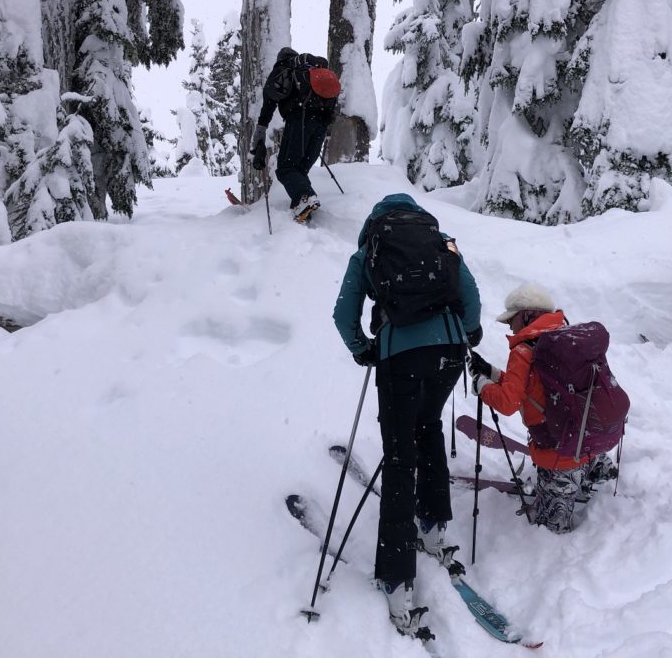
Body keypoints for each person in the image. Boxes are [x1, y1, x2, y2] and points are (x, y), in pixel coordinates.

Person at [332, 193, 482, 637]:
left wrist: (364, 350)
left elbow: (344, 316)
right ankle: (433, 527)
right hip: (450, 353)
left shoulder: (370, 250)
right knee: (429, 427)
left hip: (400, 357)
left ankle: (397, 579)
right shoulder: (444, 241)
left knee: (399, 458)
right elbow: (471, 298)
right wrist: (467, 334)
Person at [469, 284, 618, 535]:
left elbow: (509, 403)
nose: (510, 326)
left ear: (527, 315)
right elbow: (535, 387)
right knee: (579, 466)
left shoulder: (524, 350)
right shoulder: (566, 339)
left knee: (550, 533)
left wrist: (482, 386)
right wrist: (493, 374)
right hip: (586, 439)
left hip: (557, 453)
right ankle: (595, 478)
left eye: (511, 320)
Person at [249, 47, 334, 223]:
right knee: (300, 168)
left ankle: (304, 197)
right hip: (321, 124)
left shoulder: (283, 71)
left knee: (286, 168)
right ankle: (305, 206)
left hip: (300, 120)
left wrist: (259, 136)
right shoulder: (311, 71)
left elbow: (268, 105)